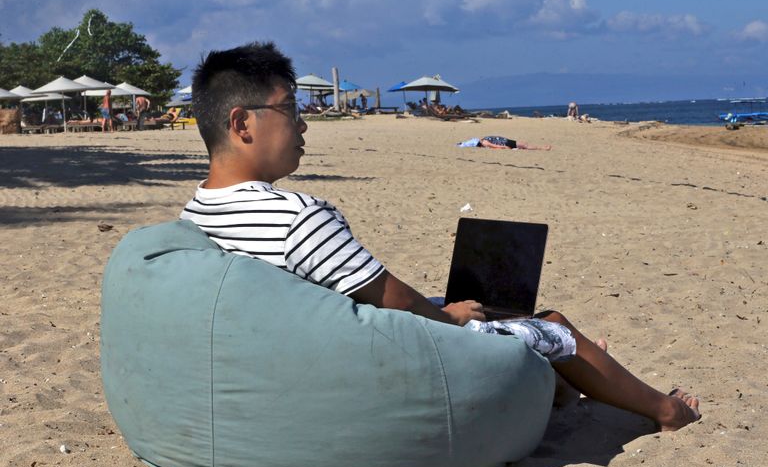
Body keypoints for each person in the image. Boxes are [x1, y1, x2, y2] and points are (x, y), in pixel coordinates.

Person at [179, 42, 700, 431]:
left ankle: (561, 384)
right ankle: (666, 409)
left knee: (495, 313)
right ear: (242, 122)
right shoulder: (296, 216)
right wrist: (447, 317)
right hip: (377, 363)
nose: (304, 124)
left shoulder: (194, 213)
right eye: (290, 109)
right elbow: (396, 300)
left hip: (300, 352)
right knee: (553, 326)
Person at [462, 136, 551, 150]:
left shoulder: (484, 140)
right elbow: (495, 146)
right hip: (506, 143)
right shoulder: (484, 142)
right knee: (524, 145)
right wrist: (504, 147)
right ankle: (542, 148)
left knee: (524, 145)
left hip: (506, 141)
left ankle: (542, 148)